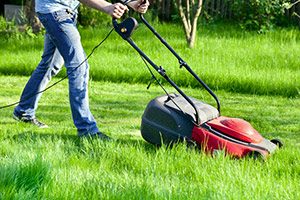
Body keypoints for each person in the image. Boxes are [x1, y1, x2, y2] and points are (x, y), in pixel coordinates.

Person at [13, 0, 150, 139]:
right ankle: (86, 129)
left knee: (50, 65)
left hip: (62, 12)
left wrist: (131, 3)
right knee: (79, 67)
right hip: (55, 11)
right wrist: (108, 8)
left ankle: (24, 111)